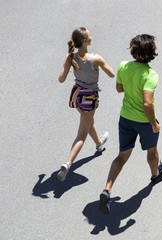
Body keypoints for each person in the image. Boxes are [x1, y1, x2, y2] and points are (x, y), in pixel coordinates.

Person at [99, 34, 162, 214]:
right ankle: (155, 175)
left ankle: (107, 189)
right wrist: (153, 123)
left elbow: (119, 88)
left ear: (133, 51)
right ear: (152, 53)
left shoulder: (123, 66)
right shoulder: (151, 75)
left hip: (126, 119)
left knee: (122, 156)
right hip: (144, 122)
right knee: (152, 151)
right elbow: (147, 104)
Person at [57, 27, 115, 182]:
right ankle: (68, 163)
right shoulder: (96, 58)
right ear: (84, 41)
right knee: (82, 133)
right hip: (89, 98)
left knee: (88, 121)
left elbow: (61, 79)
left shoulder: (71, 56)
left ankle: (99, 143)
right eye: (89, 36)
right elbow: (112, 74)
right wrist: (101, 65)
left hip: (77, 95)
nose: (91, 37)